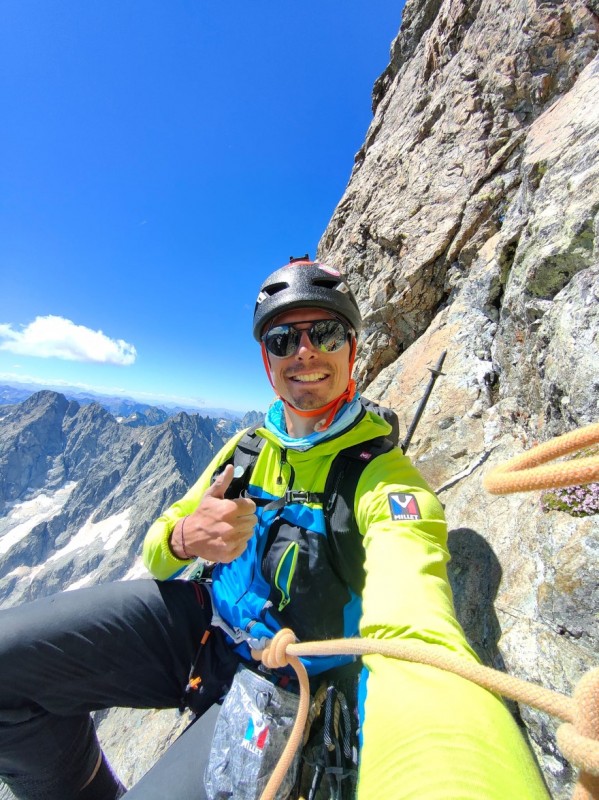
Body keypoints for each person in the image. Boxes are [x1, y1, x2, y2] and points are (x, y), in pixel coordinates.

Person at [0, 259, 549, 800]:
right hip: (202, 627)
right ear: (268, 360)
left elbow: (414, 629)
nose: (305, 351)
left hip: (286, 679)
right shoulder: (247, 450)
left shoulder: (384, 482)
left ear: (352, 348)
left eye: (326, 333)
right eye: (284, 339)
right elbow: (157, 553)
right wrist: (186, 537)